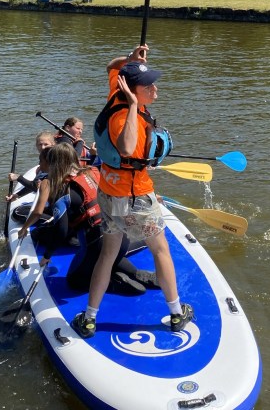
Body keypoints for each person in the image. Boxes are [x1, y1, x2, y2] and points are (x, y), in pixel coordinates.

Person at [70, 45, 193, 339]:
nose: (155, 89)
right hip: (136, 197)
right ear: (134, 91)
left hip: (109, 193)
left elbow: (110, 66)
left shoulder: (116, 92)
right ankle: (177, 313)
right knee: (160, 250)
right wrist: (135, 107)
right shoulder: (129, 116)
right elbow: (126, 148)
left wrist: (130, 60)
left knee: (108, 253)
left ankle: (89, 318)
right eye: (148, 85)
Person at [17, 143, 159, 295]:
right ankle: (136, 273)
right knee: (107, 256)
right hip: (122, 237)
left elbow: (61, 231)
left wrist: (46, 256)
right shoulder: (93, 171)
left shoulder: (61, 189)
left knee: (75, 281)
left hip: (96, 242)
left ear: (53, 163)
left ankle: (112, 283)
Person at [6, 130, 55, 203]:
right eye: (40, 144)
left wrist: (18, 178)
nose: (43, 147)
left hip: (54, 197)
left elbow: (36, 187)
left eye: (46, 144)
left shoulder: (52, 160)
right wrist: (18, 195)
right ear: (36, 145)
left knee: (17, 213)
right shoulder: (44, 159)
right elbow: (34, 185)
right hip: (49, 195)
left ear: (53, 144)